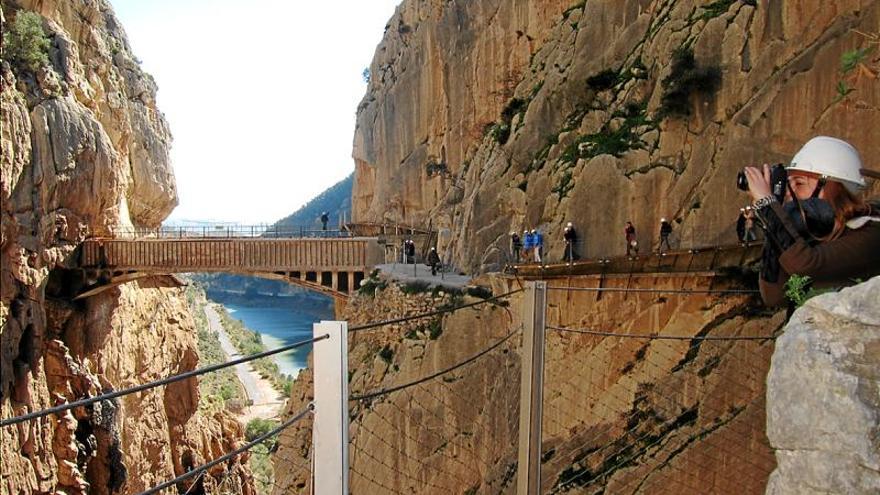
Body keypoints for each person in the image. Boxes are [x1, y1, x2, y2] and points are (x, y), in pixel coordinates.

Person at [742, 136, 880, 307]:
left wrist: (768, 206)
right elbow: (776, 296)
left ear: (833, 188)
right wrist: (772, 220)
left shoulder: (871, 233)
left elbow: (808, 266)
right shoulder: (815, 237)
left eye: (799, 183)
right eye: (788, 185)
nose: (789, 194)